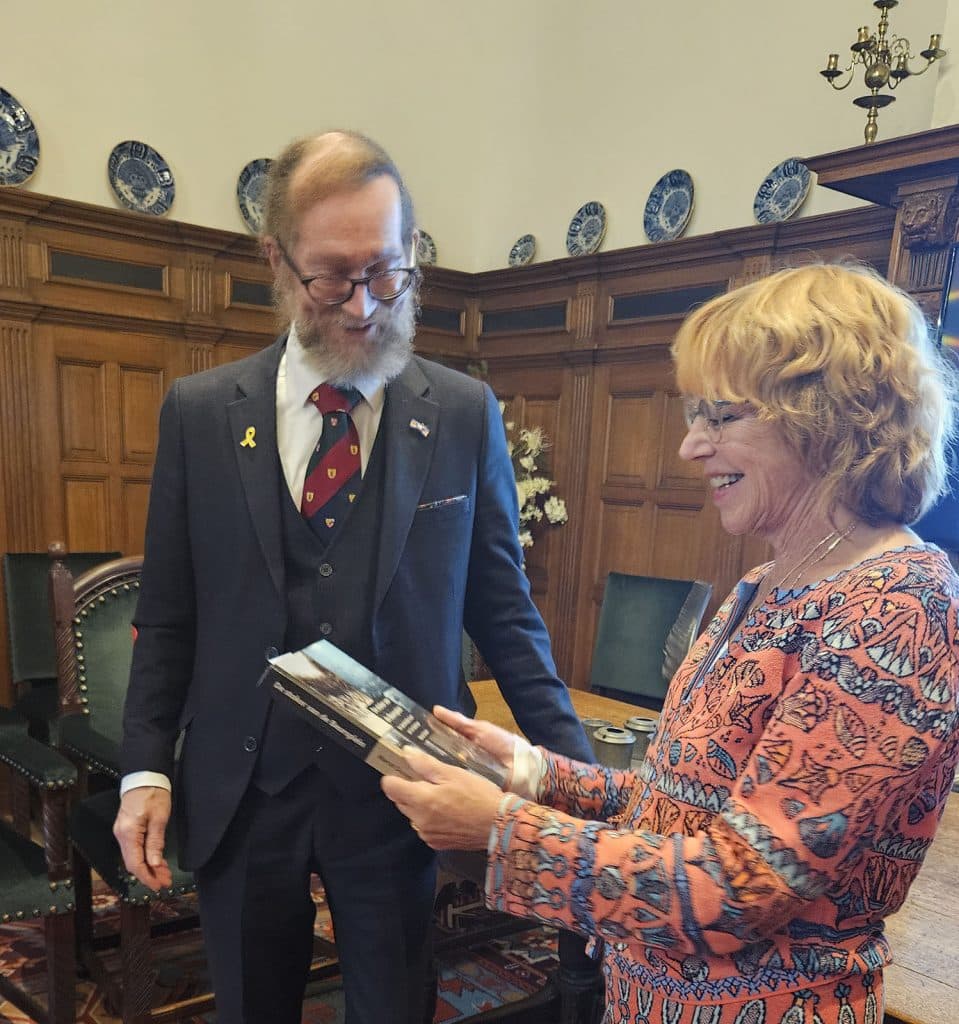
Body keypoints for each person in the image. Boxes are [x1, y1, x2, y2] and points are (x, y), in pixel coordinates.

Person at [383, 262, 959, 1024]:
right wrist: (534, 774)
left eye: (719, 416)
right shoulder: (765, 580)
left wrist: (499, 832)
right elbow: (678, 809)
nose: (689, 447)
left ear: (829, 417)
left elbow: (736, 888)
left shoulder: (899, 604)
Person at [112, 129, 594, 1024]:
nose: (365, 304)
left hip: (402, 789)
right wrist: (145, 770)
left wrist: (578, 777)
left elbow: (504, 611)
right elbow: (168, 616)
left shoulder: (460, 412)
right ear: (277, 261)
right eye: (332, 276)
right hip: (243, 784)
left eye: (386, 270)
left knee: (393, 1006)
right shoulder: (201, 413)